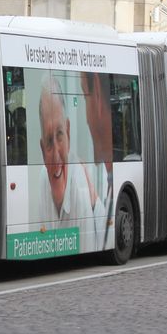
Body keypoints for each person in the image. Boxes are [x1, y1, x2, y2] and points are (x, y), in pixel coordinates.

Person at [36, 76, 96, 226]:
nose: (56, 154)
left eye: (60, 134)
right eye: (49, 141)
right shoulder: (43, 178)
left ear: (68, 133)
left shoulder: (78, 184)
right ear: (43, 150)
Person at [80, 72, 114, 250]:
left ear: (98, 94)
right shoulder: (109, 181)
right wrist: (93, 198)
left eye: (85, 97)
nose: (86, 119)